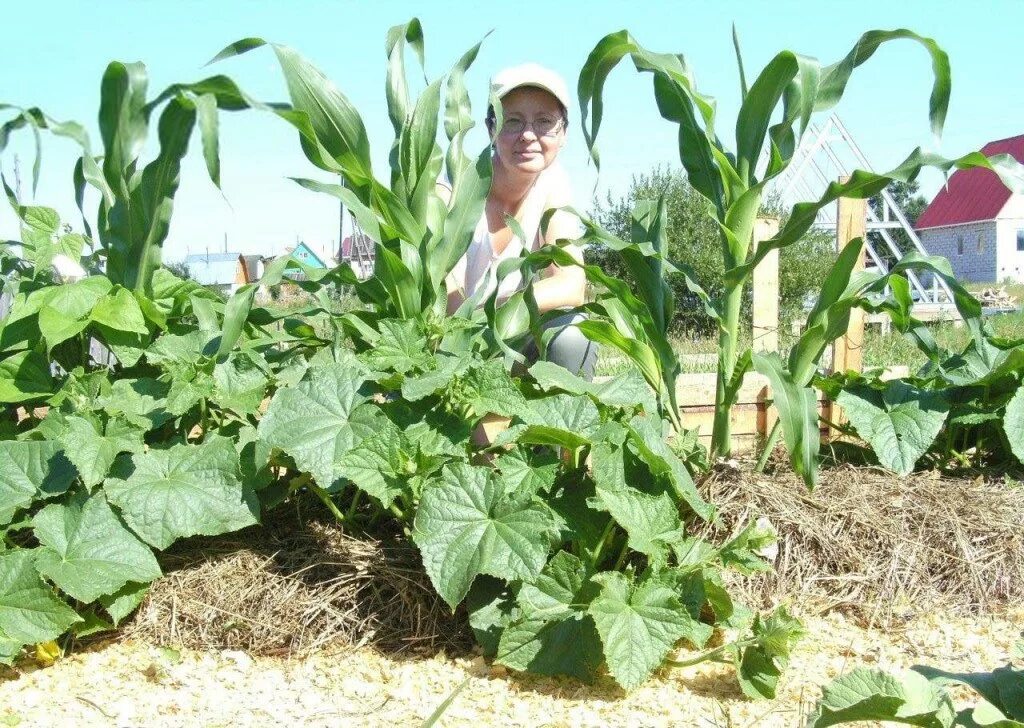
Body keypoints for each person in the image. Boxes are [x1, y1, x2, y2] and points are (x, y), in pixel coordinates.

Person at [443, 63, 597, 381]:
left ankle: (558, 425)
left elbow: (571, 285)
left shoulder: (553, 185)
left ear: (563, 134)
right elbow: (450, 299)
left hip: (515, 337)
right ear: (490, 129)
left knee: (572, 333)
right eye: (512, 122)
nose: (528, 135)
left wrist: (500, 313)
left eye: (544, 122)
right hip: (452, 344)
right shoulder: (454, 187)